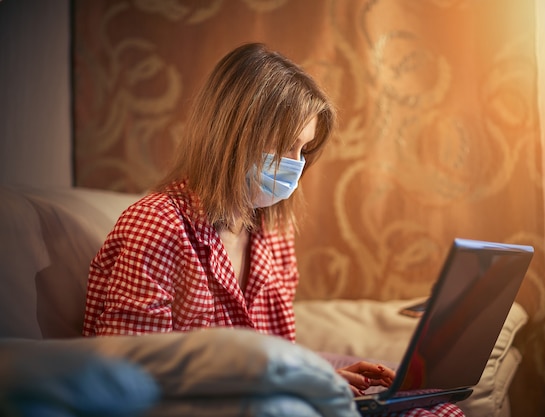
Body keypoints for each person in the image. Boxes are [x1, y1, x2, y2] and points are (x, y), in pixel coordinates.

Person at [81, 42, 395, 396]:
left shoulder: (274, 230)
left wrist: (319, 373)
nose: (296, 164)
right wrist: (296, 383)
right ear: (233, 135)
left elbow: (270, 357)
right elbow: (130, 375)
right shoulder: (157, 225)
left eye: (303, 150)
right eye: (284, 145)